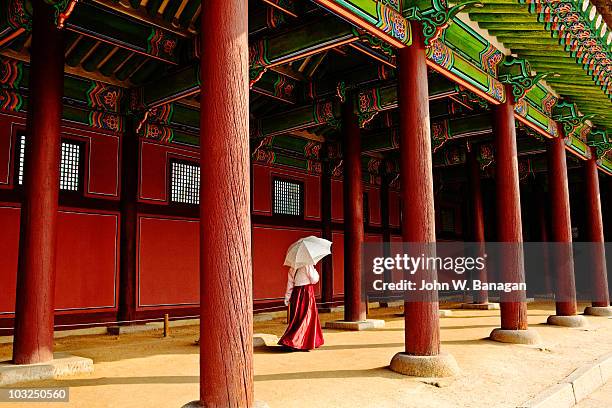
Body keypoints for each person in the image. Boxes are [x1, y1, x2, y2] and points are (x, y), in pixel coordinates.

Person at [278, 264, 324, 350]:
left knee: (297, 317)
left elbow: (290, 283)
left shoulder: (293, 267)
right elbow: (314, 279)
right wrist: (315, 271)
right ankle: (299, 341)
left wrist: (287, 298)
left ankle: (293, 340)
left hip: (296, 293)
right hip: (307, 292)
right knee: (307, 316)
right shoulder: (308, 264)